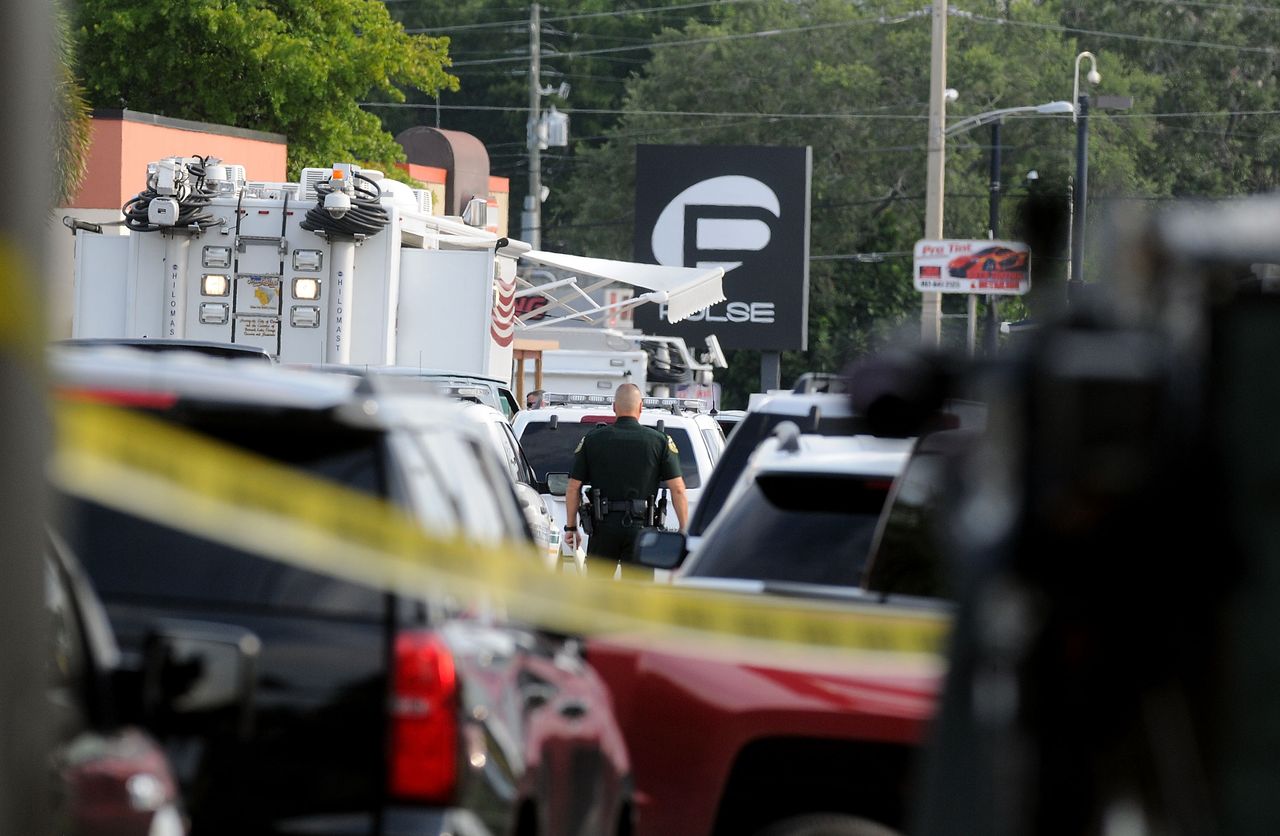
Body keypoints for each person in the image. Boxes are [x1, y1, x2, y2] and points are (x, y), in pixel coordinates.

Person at [563, 383, 688, 568]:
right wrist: (683, 530)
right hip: (642, 530)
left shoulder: (592, 440)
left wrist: (572, 528)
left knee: (597, 593)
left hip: (603, 528)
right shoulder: (659, 441)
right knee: (638, 594)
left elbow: (573, 488)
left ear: (614, 407)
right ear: (640, 407)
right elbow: (678, 489)